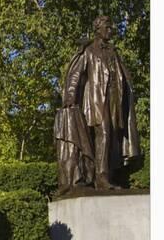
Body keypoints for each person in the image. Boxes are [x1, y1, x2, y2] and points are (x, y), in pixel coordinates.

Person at [55, 15, 140, 193]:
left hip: (113, 102)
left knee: (113, 138)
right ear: (98, 29)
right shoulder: (88, 50)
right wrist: (70, 97)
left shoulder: (113, 51)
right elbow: (75, 76)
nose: (111, 30)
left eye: (111, 27)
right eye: (108, 27)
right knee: (104, 134)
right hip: (94, 102)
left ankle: (106, 175)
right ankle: (102, 178)